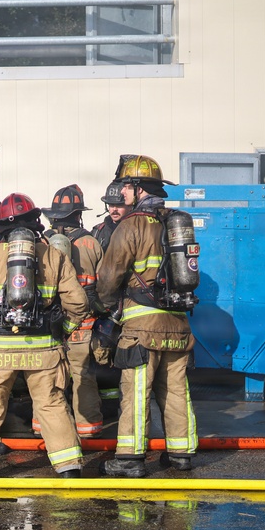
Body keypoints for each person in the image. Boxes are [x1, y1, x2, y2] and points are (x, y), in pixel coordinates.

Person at [0, 192, 89, 478]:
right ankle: (68, 469)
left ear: (0, 225)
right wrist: (59, 332)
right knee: (51, 403)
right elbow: (78, 304)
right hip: (44, 350)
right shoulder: (54, 255)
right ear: (36, 221)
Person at [94, 155, 198, 477]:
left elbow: (109, 276)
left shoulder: (132, 225)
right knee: (176, 391)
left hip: (142, 329)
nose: (122, 191)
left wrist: (107, 306)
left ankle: (129, 459)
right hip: (179, 326)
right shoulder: (176, 221)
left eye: (126, 185)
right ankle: (181, 455)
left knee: (137, 390)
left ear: (137, 189)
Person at [41, 184, 104, 438]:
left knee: (47, 378)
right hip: (82, 325)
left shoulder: (44, 242)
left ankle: (42, 428)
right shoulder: (91, 243)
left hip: (50, 323)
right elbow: (103, 284)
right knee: (82, 376)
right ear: (78, 214)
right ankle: (87, 429)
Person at [90, 178, 130, 413]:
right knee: (103, 356)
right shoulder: (99, 233)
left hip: (133, 305)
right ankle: (110, 410)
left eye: (119, 204)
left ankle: (125, 407)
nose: (114, 209)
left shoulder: (136, 229)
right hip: (105, 307)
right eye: (110, 204)